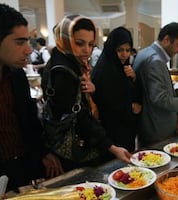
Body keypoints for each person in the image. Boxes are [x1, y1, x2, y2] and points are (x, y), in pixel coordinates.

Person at [0, 2, 62, 196]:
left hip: (23, 170)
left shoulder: (16, 74)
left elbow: (29, 120)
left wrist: (43, 153)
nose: (28, 50)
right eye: (19, 42)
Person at [41, 15, 131, 172]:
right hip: (74, 145)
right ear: (65, 39)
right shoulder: (63, 72)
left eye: (90, 44)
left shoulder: (70, 62)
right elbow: (79, 117)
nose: (86, 50)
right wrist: (112, 147)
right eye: (79, 43)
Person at [133, 22, 178, 147]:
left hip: (151, 124)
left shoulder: (145, 52)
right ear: (166, 39)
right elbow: (159, 98)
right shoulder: (155, 61)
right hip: (156, 128)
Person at [92, 27, 141, 153]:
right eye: (120, 50)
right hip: (112, 132)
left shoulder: (122, 67)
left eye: (127, 50)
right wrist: (130, 108)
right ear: (111, 48)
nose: (124, 54)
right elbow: (105, 103)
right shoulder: (104, 70)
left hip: (125, 129)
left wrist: (134, 78)